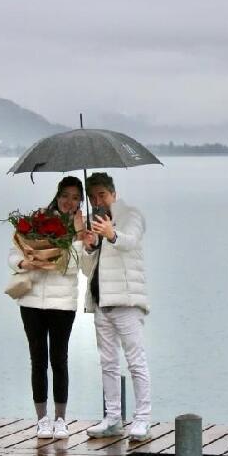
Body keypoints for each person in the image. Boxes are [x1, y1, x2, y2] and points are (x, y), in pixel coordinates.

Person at [8, 176, 85, 440]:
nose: (69, 201)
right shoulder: (37, 220)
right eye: (65, 195)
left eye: (75, 197)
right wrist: (24, 263)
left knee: (59, 359)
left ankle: (61, 419)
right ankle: (42, 420)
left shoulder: (81, 228)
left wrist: (76, 235)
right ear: (58, 195)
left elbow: (75, 267)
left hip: (63, 303)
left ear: (80, 202)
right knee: (38, 360)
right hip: (31, 302)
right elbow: (13, 253)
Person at [79, 172, 152, 441]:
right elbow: (87, 270)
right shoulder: (92, 223)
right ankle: (112, 418)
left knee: (136, 361)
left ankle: (142, 419)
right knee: (108, 363)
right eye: (93, 196)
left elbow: (130, 241)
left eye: (103, 194)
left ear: (113, 194)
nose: (98, 200)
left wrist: (111, 234)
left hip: (126, 301)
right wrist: (88, 248)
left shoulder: (131, 215)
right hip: (101, 302)